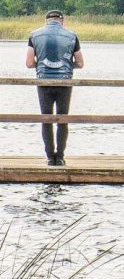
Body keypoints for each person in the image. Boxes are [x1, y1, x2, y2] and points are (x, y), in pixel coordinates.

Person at [25, 10, 84, 166]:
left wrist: (42, 65)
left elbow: (29, 63)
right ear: (62, 21)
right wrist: (66, 65)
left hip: (44, 81)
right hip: (64, 82)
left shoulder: (34, 35)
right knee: (63, 119)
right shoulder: (72, 35)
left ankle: (50, 157)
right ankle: (61, 157)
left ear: (46, 21)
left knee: (46, 119)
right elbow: (80, 63)